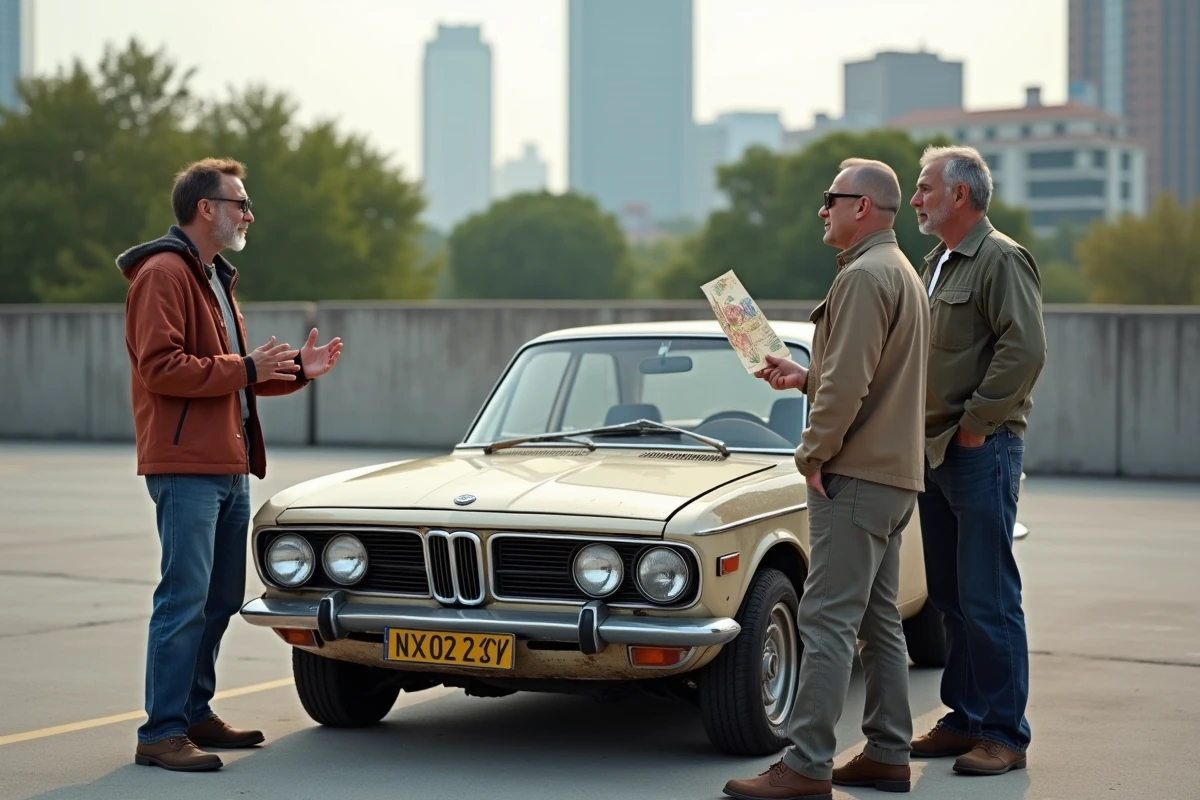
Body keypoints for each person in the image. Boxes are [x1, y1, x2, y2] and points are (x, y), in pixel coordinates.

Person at [117, 158, 344, 772]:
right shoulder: (163, 274)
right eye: (239, 202)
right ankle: (160, 733)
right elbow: (162, 369)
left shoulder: (214, 276)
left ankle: (193, 712)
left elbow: (229, 375)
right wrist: (248, 367)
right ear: (204, 208)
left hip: (227, 463)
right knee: (183, 598)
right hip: (186, 466)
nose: (248, 214)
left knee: (219, 598)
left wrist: (293, 368)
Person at [723, 158, 931, 800]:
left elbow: (847, 387)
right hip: (893, 477)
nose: (822, 210)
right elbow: (866, 378)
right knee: (878, 620)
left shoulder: (865, 276)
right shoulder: (897, 270)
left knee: (825, 619)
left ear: (862, 207)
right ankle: (889, 753)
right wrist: (803, 376)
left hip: (856, 476)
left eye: (830, 199)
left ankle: (807, 765)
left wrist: (811, 455)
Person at [907, 144, 1047, 776]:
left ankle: (1004, 734)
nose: (917, 198)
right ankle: (964, 718)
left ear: (959, 195)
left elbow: (1025, 350)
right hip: (933, 451)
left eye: (925, 187)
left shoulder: (1000, 259)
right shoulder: (935, 263)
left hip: (979, 449)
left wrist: (975, 428)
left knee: (989, 596)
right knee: (951, 595)